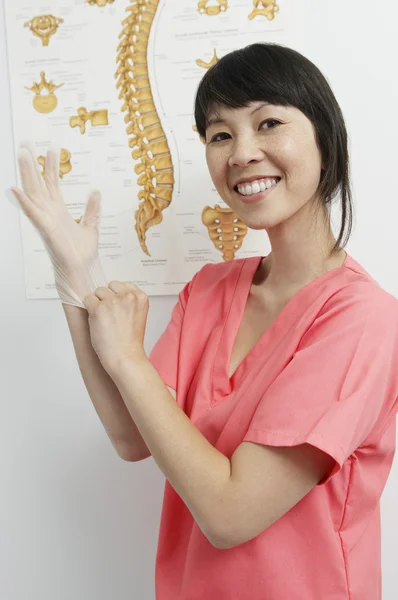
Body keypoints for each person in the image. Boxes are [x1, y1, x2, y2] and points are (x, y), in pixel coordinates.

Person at [9, 43, 398, 600]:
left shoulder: (364, 320)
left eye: (268, 123)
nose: (241, 153)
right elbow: (131, 435)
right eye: (220, 134)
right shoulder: (211, 290)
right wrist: (77, 278)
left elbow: (230, 513)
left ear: (325, 140)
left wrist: (125, 357)